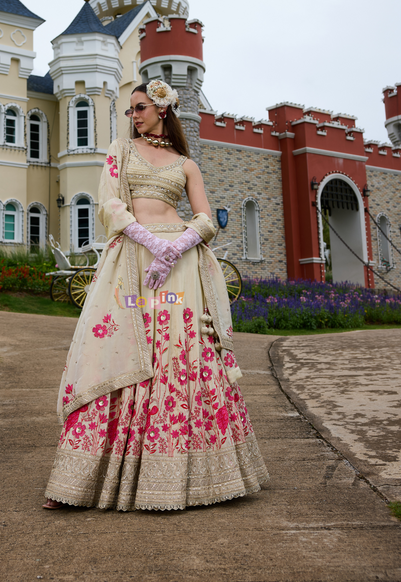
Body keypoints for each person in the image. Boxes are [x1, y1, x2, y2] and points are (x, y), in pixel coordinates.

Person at [43, 79, 268, 511]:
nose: (133, 115)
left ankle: (192, 478)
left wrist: (177, 246)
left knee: (178, 357)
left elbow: (206, 219)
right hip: (133, 258)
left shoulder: (186, 164)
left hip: (180, 266)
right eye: (130, 110)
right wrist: (150, 242)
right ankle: (85, 479)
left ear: (162, 109)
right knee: (119, 349)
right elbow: (111, 205)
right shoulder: (119, 151)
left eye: (140, 107)